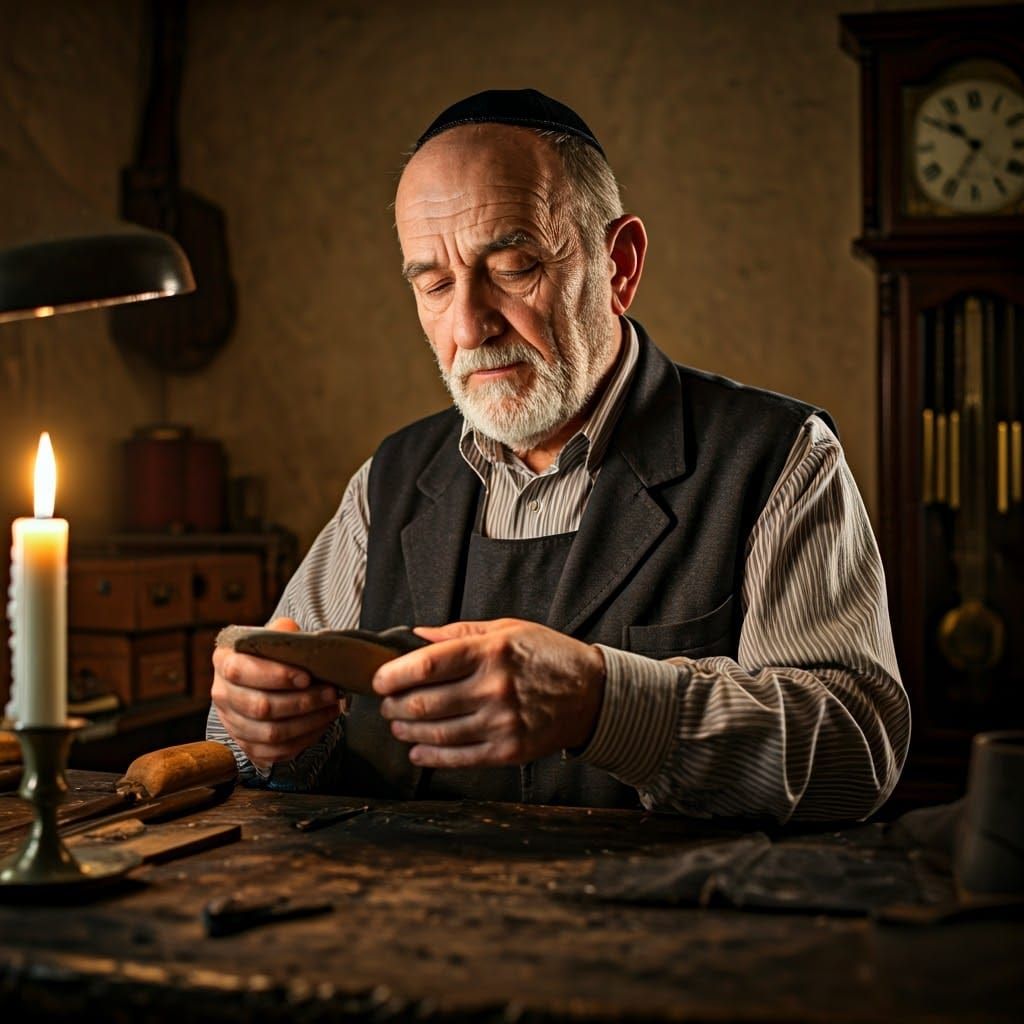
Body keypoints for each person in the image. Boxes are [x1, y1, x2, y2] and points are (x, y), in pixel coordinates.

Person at [208, 88, 910, 822]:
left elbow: (856, 757)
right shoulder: (388, 480)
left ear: (620, 264)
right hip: (407, 923)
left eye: (514, 267)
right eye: (437, 284)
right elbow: (241, 744)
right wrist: (266, 731)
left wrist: (603, 703)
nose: (471, 326)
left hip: (667, 926)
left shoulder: (777, 459)